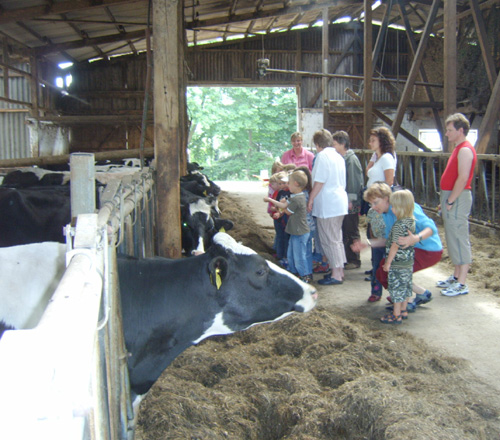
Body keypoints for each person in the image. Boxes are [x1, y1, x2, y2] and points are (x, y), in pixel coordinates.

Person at [352, 182, 443, 311]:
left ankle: (406, 302)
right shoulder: (386, 214)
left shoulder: (405, 207)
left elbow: (431, 228)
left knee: (395, 270)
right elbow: (391, 240)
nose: (373, 207)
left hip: (427, 249)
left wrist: (415, 238)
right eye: (370, 204)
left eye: (376, 202)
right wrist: (368, 244)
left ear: (386, 198)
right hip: (411, 248)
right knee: (382, 272)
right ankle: (420, 294)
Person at [436, 113, 477, 297]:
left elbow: (463, 177)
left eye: (450, 130)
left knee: (459, 237)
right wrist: (444, 200)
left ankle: (462, 283)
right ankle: (455, 276)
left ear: (461, 130)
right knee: (453, 237)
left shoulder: (465, 150)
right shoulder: (459, 148)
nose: (447, 133)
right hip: (451, 197)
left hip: (458, 198)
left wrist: (451, 199)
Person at [307, 129, 348, 285]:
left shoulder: (323, 156)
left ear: (317, 145)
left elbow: (320, 181)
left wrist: (310, 199)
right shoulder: (338, 156)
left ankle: (336, 274)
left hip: (328, 204)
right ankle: (339, 270)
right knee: (336, 238)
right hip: (338, 202)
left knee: (329, 240)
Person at [264, 170, 311, 283]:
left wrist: (273, 202)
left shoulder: (297, 199)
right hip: (295, 231)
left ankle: (305, 277)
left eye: (288, 183)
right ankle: (294, 273)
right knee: (291, 254)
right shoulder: (295, 196)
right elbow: (284, 204)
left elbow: (287, 210)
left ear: (296, 184)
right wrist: (278, 204)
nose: (286, 185)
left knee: (299, 256)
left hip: (300, 232)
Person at [379, 190, 416, 324]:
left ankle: (396, 315)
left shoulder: (398, 225)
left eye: (394, 206)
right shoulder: (411, 221)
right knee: (406, 286)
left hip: (397, 263)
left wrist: (388, 262)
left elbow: (395, 245)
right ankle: (404, 310)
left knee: (396, 289)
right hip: (408, 262)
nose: (392, 209)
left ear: (400, 208)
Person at [332, 130, 364, 270]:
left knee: (351, 229)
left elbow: (354, 182)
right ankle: (347, 257)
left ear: (342, 144)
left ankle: (354, 259)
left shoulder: (351, 160)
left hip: (350, 202)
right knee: (345, 229)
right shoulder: (343, 159)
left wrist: (350, 200)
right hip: (345, 201)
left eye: (335, 144)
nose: (333, 148)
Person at [267, 171, 290, 267]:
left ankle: (286, 257)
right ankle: (280, 255)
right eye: (280, 183)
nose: (282, 185)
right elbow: (278, 204)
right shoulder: (280, 192)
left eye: (284, 183)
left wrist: (280, 211)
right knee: (280, 235)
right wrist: (275, 209)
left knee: (286, 237)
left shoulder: (290, 193)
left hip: (287, 217)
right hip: (280, 217)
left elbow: (287, 206)